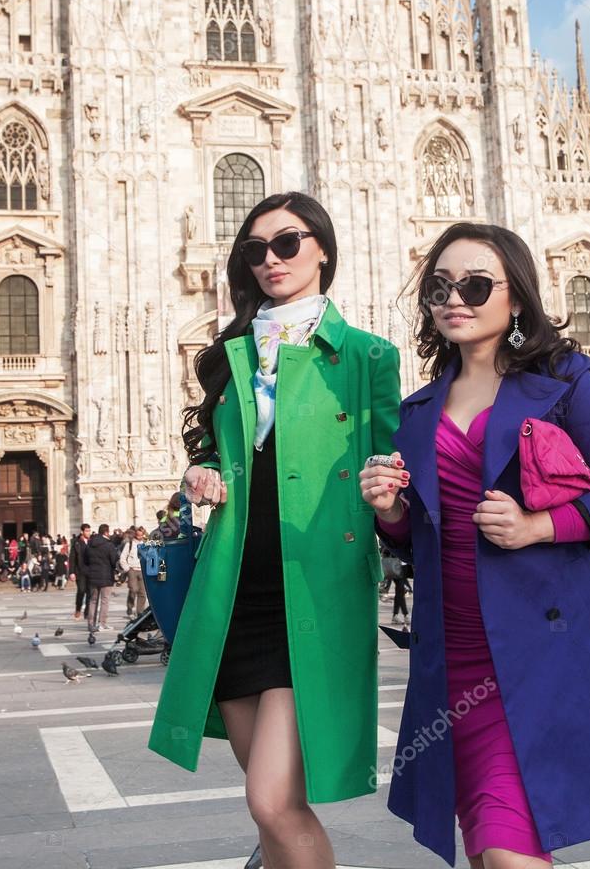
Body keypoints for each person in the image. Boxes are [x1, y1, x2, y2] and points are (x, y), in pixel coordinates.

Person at [361, 222, 590, 867]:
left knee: (505, 851)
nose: (454, 299)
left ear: (516, 297)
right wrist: (390, 511)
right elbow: (417, 537)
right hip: (455, 657)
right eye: (439, 286)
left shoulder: (562, 380)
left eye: (474, 284)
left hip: (537, 649)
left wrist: (539, 525)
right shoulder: (418, 410)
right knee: (485, 846)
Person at [148, 192, 400, 869]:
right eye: (254, 250)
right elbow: (211, 450)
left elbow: (393, 466)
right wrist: (197, 474)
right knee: (271, 806)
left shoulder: (366, 357)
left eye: (286, 243)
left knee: (271, 803)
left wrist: (388, 498)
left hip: (311, 592)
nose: (269, 259)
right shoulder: (230, 353)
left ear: (321, 247)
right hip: (230, 592)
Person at [84, 524, 118, 632]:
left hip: (93, 576)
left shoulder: (90, 544)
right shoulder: (109, 545)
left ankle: (90, 623)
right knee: (105, 600)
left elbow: (86, 560)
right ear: (106, 532)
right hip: (106, 576)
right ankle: (102, 624)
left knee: (93, 600)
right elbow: (114, 561)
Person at [119, 526, 147, 619]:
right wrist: (127, 568)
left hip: (142, 570)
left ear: (143, 535)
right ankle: (130, 609)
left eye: (141, 535)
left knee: (142, 592)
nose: (139, 537)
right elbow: (122, 557)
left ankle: (140, 612)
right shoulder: (130, 544)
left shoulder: (146, 544)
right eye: (137, 535)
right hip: (132, 569)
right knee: (133, 589)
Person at [70, 523, 92, 620]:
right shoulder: (76, 542)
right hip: (80, 571)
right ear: (82, 532)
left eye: (89, 531)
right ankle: (78, 609)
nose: (88, 533)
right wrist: (71, 572)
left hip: (90, 571)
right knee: (81, 590)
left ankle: (87, 612)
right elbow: (72, 558)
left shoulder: (92, 541)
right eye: (87, 531)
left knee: (90, 592)